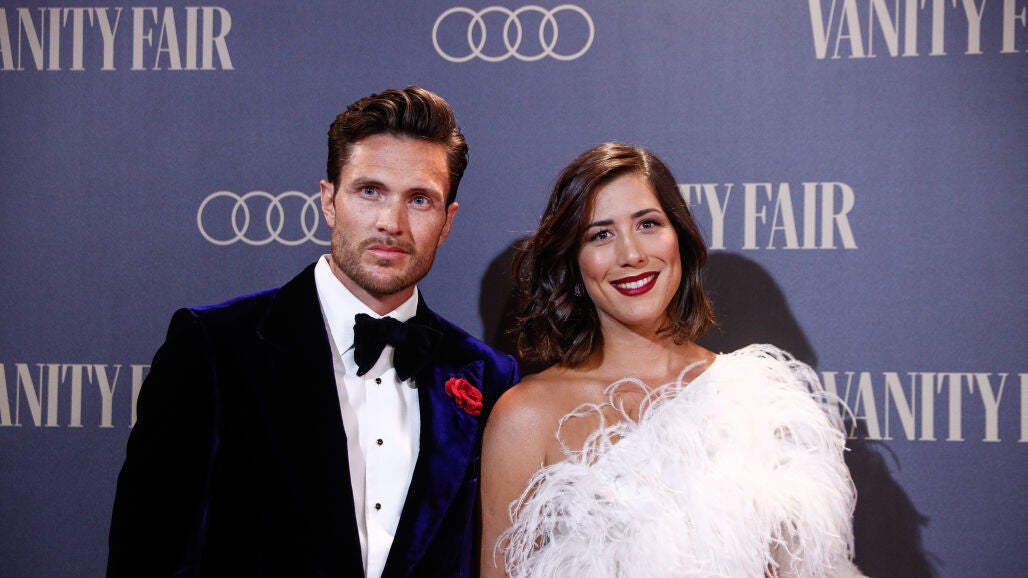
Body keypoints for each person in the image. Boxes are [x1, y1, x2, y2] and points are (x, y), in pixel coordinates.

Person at [108, 86, 520, 578]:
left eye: (419, 200)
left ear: (447, 221)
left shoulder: (489, 376)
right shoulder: (215, 347)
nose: (391, 223)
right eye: (370, 191)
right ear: (329, 201)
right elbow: (149, 551)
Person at [480, 143, 863, 577]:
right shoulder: (527, 416)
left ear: (679, 237)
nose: (632, 254)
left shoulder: (756, 398)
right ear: (575, 262)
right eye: (601, 234)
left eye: (647, 224)